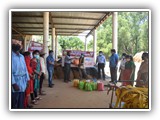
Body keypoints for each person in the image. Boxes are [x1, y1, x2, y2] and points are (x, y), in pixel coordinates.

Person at [12, 42, 30, 109]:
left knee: (21, 101)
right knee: (14, 102)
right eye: (16, 43)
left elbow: (25, 69)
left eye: (19, 43)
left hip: (23, 81)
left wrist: (27, 80)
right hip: (15, 82)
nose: (18, 44)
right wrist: (13, 83)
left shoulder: (21, 56)